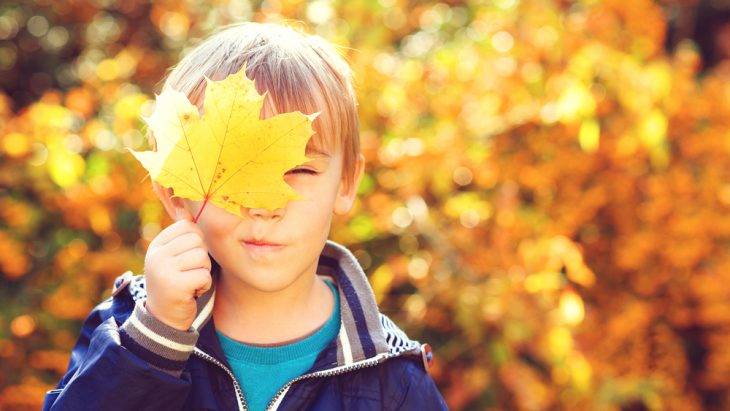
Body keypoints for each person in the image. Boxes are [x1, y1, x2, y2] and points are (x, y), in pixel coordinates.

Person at [42, 21, 448, 411]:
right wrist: (156, 341)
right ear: (175, 193)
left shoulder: (389, 375)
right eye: (240, 175)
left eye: (300, 170)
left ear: (345, 183)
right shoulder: (129, 331)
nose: (266, 205)